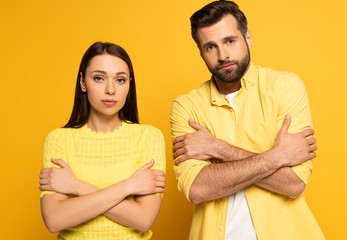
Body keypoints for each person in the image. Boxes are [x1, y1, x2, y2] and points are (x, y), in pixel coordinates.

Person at [170, 1, 324, 239]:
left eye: (230, 41)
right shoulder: (186, 107)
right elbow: (198, 188)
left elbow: (293, 184)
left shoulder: (285, 87)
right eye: (211, 47)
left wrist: (216, 148)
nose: (223, 55)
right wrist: (278, 157)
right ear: (201, 53)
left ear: (248, 38)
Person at [39, 42, 166, 240]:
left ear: (129, 85)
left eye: (120, 80)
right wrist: (128, 186)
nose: (110, 90)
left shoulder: (148, 137)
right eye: (99, 78)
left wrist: (76, 186)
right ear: (83, 82)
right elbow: (55, 219)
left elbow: (143, 219)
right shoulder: (59, 139)